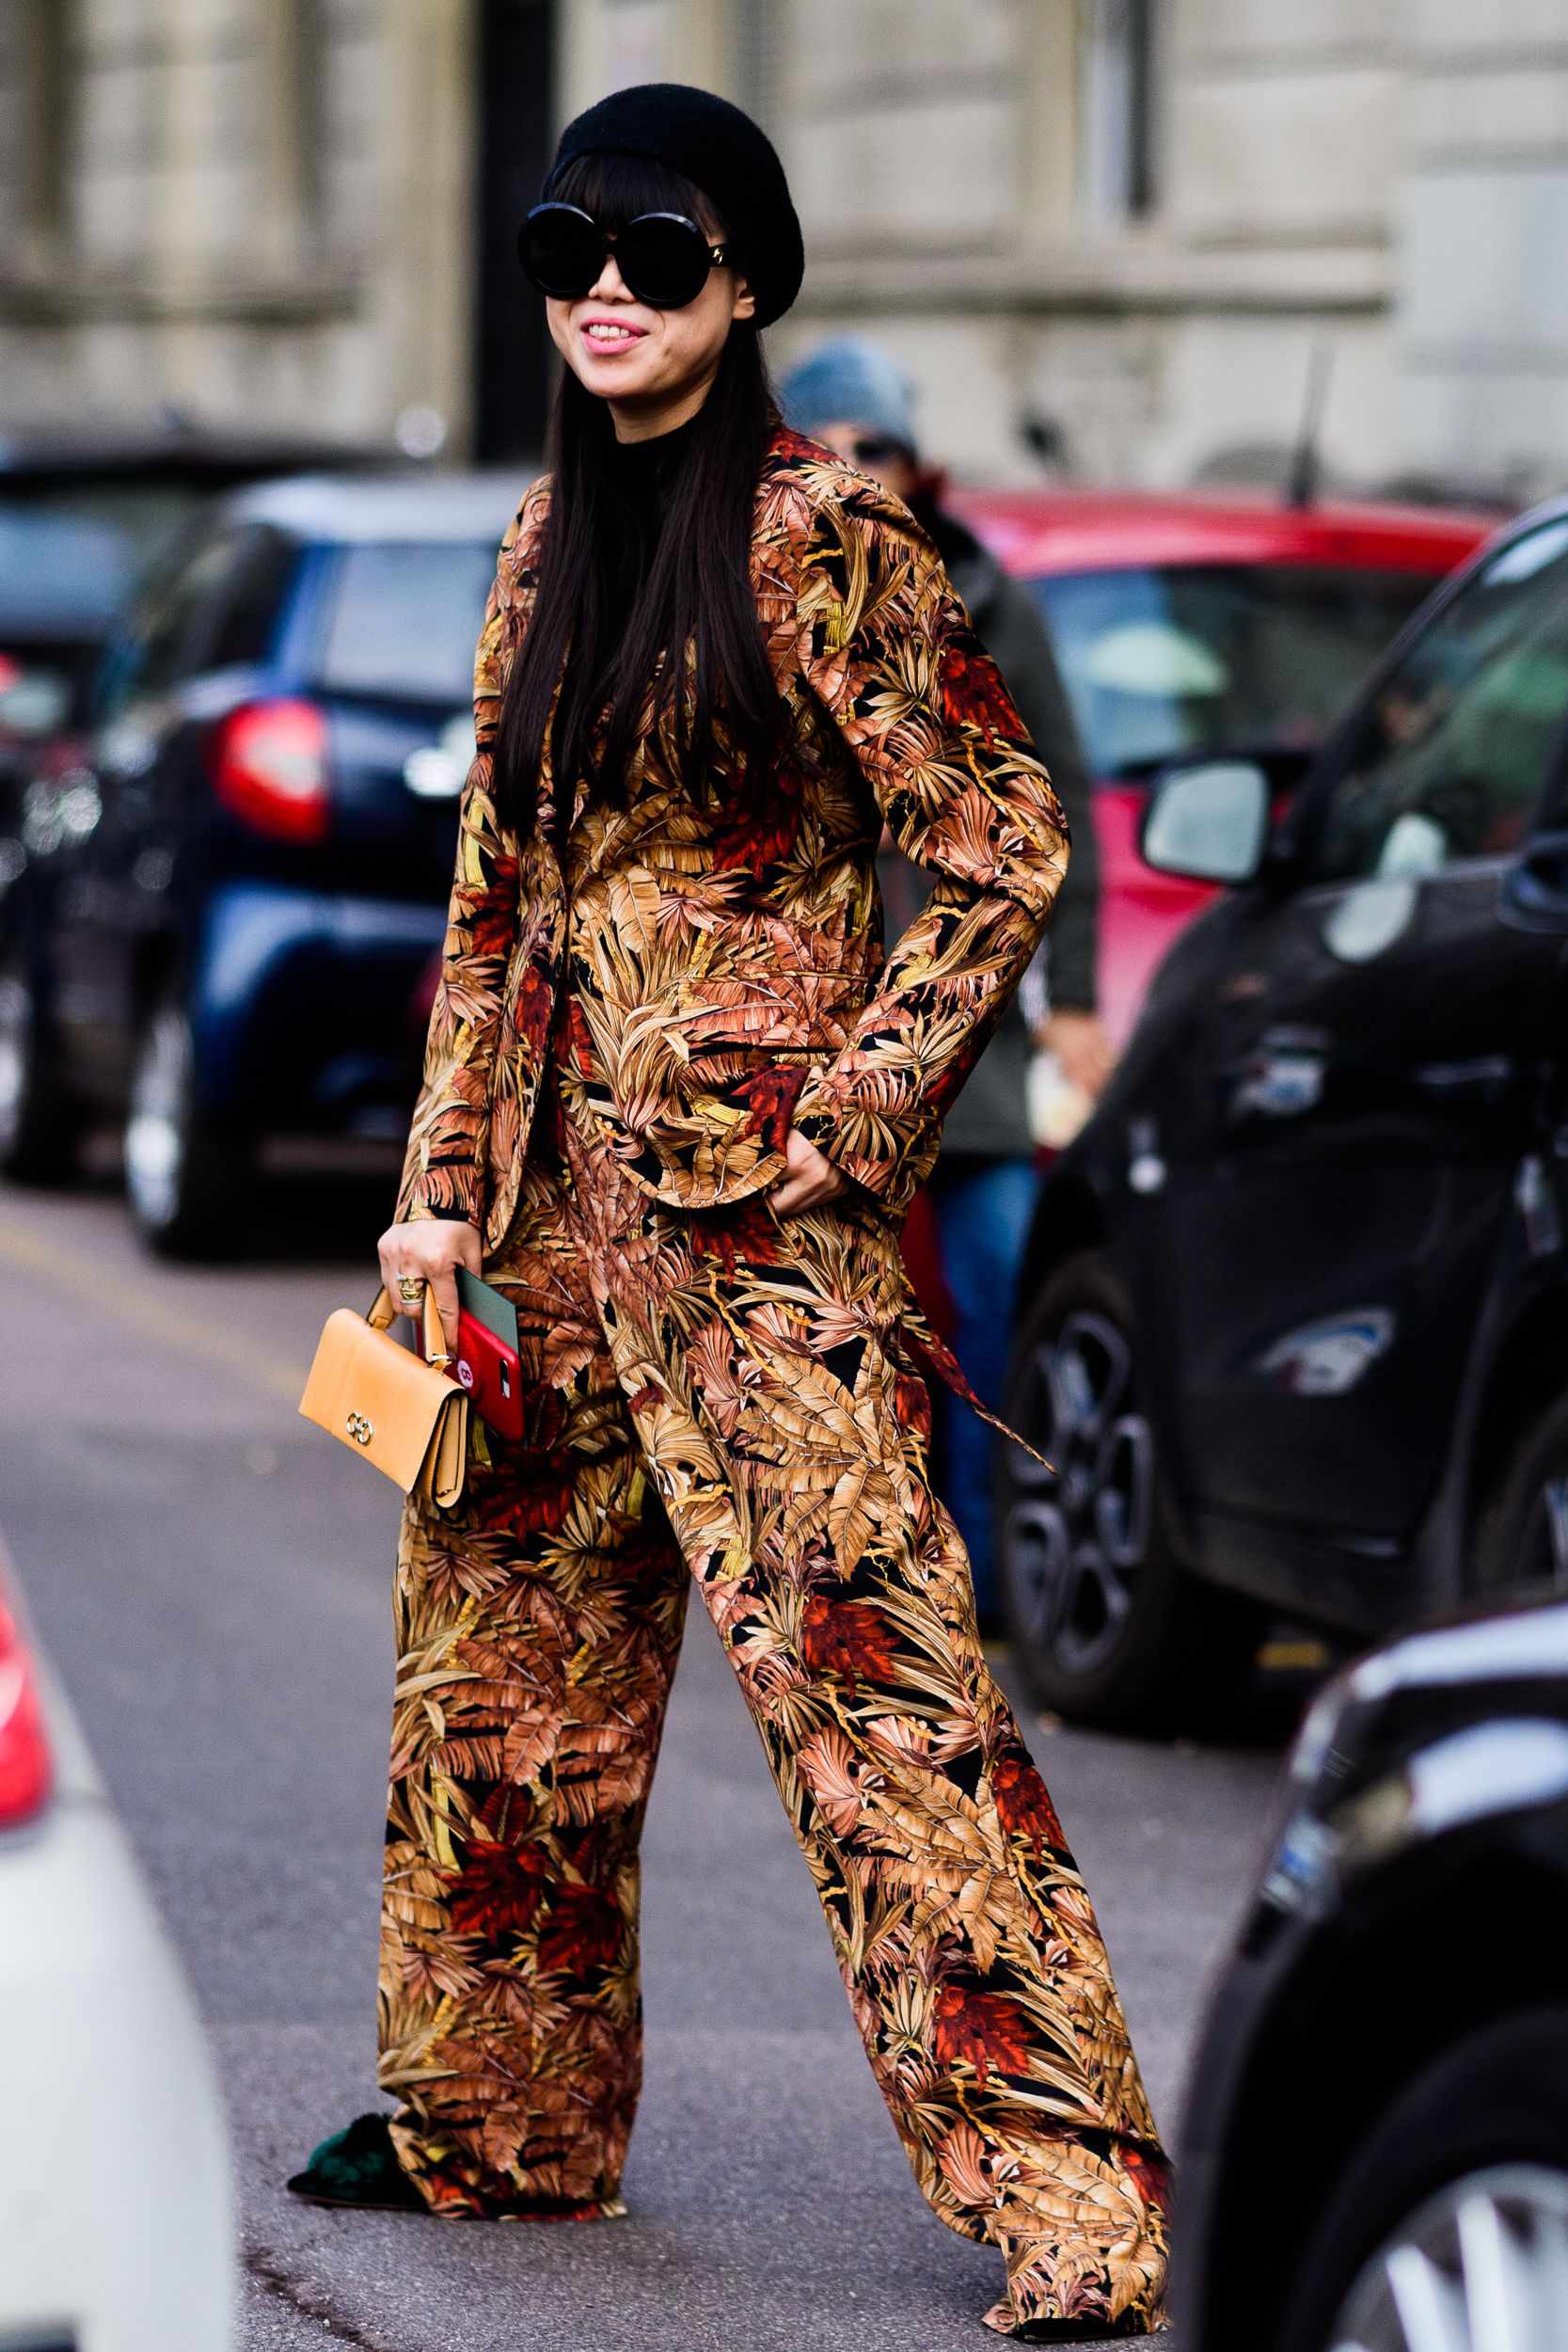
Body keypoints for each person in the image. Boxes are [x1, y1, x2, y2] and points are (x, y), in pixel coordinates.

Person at [287, 83, 1168, 2341]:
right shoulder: (533, 548)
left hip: (756, 1239)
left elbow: (993, 840)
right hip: (541, 1252)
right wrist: (433, 1205)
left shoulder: (827, 544)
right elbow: (496, 903)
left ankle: (1073, 2196)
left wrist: (858, 1115)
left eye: (657, 255)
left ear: (746, 286)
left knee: (883, 1706)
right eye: (567, 246)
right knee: (498, 1705)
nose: (604, 286)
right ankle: (497, 2129)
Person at [781, 339, 1114, 1620]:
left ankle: (974, 1592)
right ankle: (830, 1578)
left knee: (996, 1305)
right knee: (817, 1330)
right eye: (835, 448)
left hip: (957, 1045)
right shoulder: (762, 586)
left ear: (919, 467)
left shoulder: (979, 598)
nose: (862, 473)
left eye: (883, 451)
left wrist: (1070, 997)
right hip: (809, 1036)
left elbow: (1054, 804)